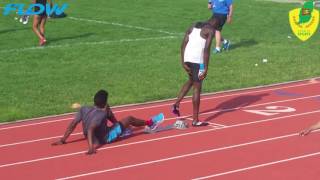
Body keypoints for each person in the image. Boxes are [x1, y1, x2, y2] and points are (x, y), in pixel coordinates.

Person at [52, 90, 164, 155]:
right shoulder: (102, 114)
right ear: (104, 102)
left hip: (90, 135)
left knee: (108, 112)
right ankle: (150, 123)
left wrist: (63, 139)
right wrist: (91, 147)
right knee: (129, 119)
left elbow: (73, 124)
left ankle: (121, 128)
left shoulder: (84, 109)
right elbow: (91, 128)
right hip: (105, 137)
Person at [172, 19, 218, 127]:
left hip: (188, 58)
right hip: (199, 62)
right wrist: (206, 68)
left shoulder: (192, 27)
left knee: (191, 80)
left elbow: (183, 45)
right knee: (197, 87)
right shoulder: (211, 30)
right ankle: (195, 120)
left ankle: (176, 104)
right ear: (215, 24)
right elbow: (206, 50)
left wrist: (183, 62)